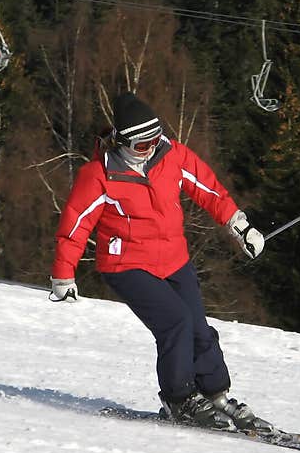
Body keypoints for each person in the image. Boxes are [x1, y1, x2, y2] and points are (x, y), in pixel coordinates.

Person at [48, 91, 270, 432]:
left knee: (198, 327)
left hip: (174, 258)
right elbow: (76, 224)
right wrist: (63, 276)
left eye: (155, 139)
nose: (150, 148)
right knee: (175, 321)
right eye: (141, 145)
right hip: (127, 265)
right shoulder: (99, 175)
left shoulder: (172, 155)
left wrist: (240, 227)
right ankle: (179, 399)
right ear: (122, 142)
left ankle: (215, 395)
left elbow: (209, 190)